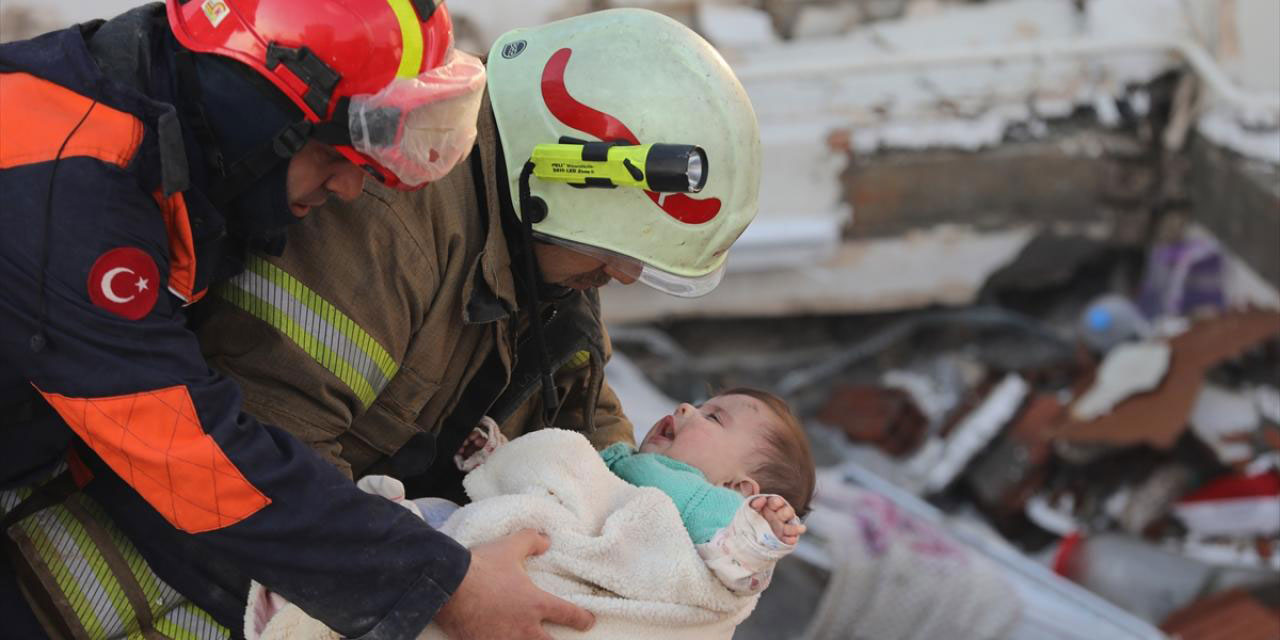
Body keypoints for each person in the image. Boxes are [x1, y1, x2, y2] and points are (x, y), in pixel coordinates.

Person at [195, 7, 762, 637]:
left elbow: (588, 433)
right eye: (618, 255)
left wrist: (683, 535)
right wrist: (444, 588)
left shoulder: (547, 247)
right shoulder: (392, 222)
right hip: (202, 597)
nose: (622, 277)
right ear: (568, 175)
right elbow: (263, 454)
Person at [0, 1, 515, 638]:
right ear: (252, 108)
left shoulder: (162, 123)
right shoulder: (74, 191)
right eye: (333, 153)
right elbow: (190, 459)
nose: (350, 188)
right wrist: (443, 584)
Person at [459, 387, 816, 594]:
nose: (686, 408)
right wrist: (509, 457)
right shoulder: (625, 460)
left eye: (713, 418)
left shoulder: (709, 504)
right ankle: (495, 462)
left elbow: (741, 564)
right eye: (700, 405)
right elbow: (564, 484)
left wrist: (760, 531)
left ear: (735, 488)